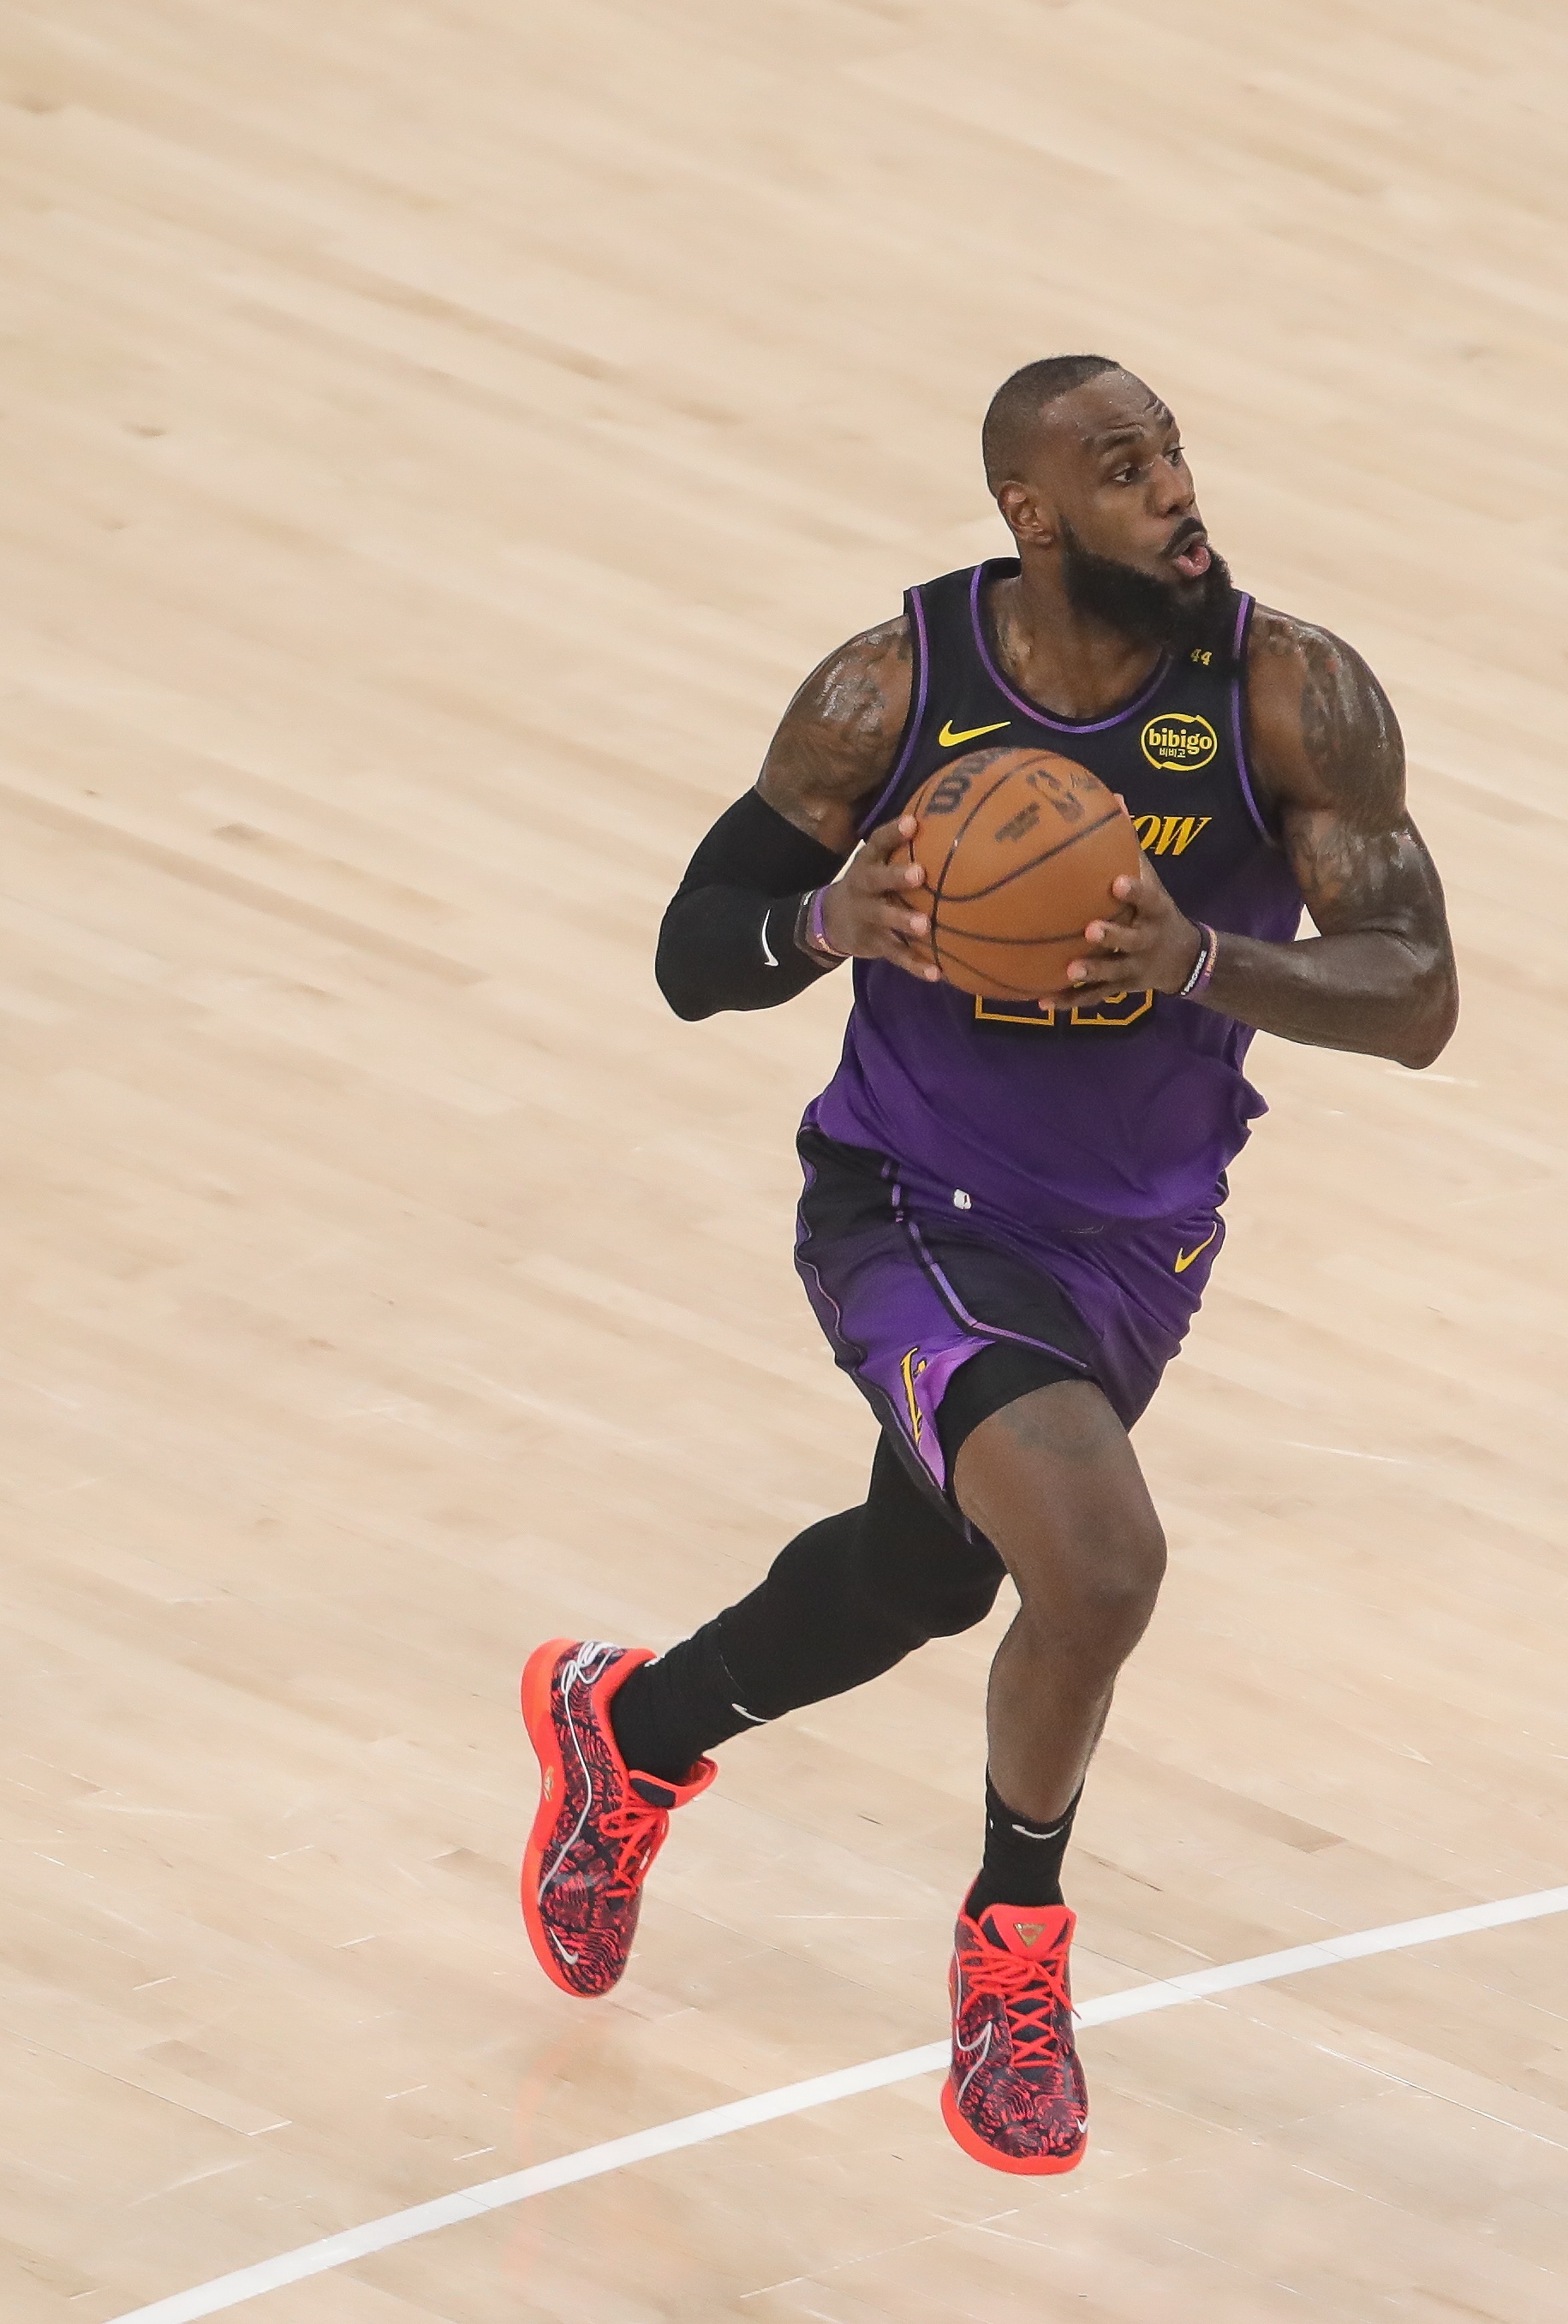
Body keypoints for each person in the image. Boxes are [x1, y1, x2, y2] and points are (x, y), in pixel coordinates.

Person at [518, 355, 1457, 2172]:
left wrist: (1204, 961)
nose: (1173, 490)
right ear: (1031, 510)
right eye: (1121, 467)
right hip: (911, 1204)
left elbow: (1415, 994)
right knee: (1097, 1566)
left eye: (1172, 452)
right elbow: (694, 948)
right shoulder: (891, 687)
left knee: (929, 1573)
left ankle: (625, 1726)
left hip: (1135, 1242)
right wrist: (826, 920)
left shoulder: (1290, 691)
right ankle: (1011, 1952)